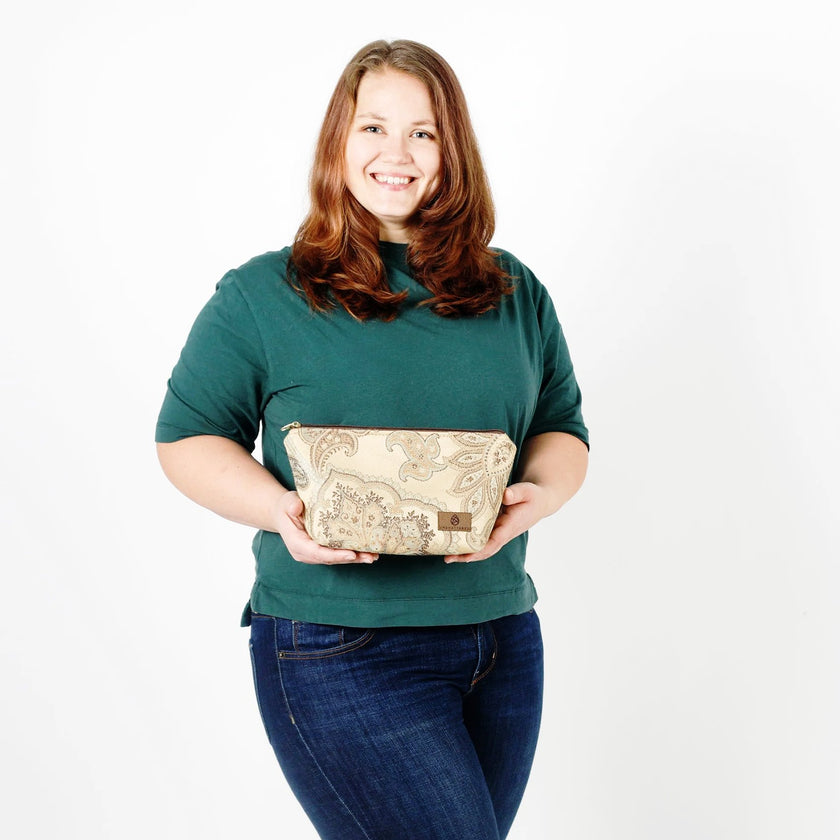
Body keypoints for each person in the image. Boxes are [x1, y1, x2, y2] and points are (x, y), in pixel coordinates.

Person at [156, 39, 589, 840]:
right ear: (337, 142)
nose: (397, 154)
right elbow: (186, 438)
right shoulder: (265, 293)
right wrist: (280, 508)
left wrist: (545, 494)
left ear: (452, 150)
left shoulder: (515, 290)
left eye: (423, 133)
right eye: (373, 129)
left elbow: (561, 426)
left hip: (502, 640)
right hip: (339, 647)